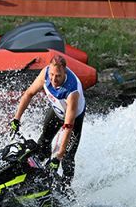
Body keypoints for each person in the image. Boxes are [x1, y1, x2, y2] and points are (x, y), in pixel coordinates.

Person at [11, 55, 86, 187]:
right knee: (43, 143)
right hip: (57, 111)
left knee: (66, 158)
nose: (53, 79)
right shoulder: (45, 73)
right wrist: (16, 119)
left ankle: (66, 188)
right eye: (52, 74)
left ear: (65, 71)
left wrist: (58, 156)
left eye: (58, 76)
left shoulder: (72, 90)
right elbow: (28, 94)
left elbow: (68, 126)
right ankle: (35, 176)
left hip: (73, 120)